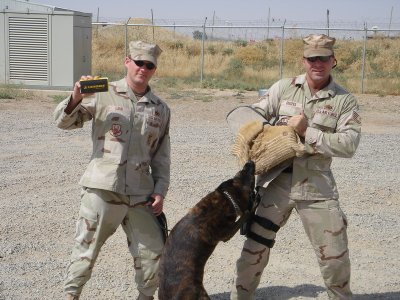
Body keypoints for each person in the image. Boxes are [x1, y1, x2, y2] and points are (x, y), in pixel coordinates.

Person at [231, 34, 361, 299]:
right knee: (253, 251)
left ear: (333, 61)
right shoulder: (283, 88)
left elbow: (348, 144)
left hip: (317, 187)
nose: (317, 63)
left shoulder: (343, 100)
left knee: (334, 258)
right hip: (277, 183)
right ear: (304, 61)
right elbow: (250, 115)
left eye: (323, 58)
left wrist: (307, 132)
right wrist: (267, 133)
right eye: (312, 58)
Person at [54, 41, 170, 300]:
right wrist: (75, 97)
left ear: (154, 69)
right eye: (139, 62)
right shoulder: (100, 89)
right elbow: (63, 122)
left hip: (141, 194)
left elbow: (162, 156)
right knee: (85, 253)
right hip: (103, 189)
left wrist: (160, 190)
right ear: (127, 61)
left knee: (154, 255)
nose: (143, 68)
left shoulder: (160, 108)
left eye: (149, 65)